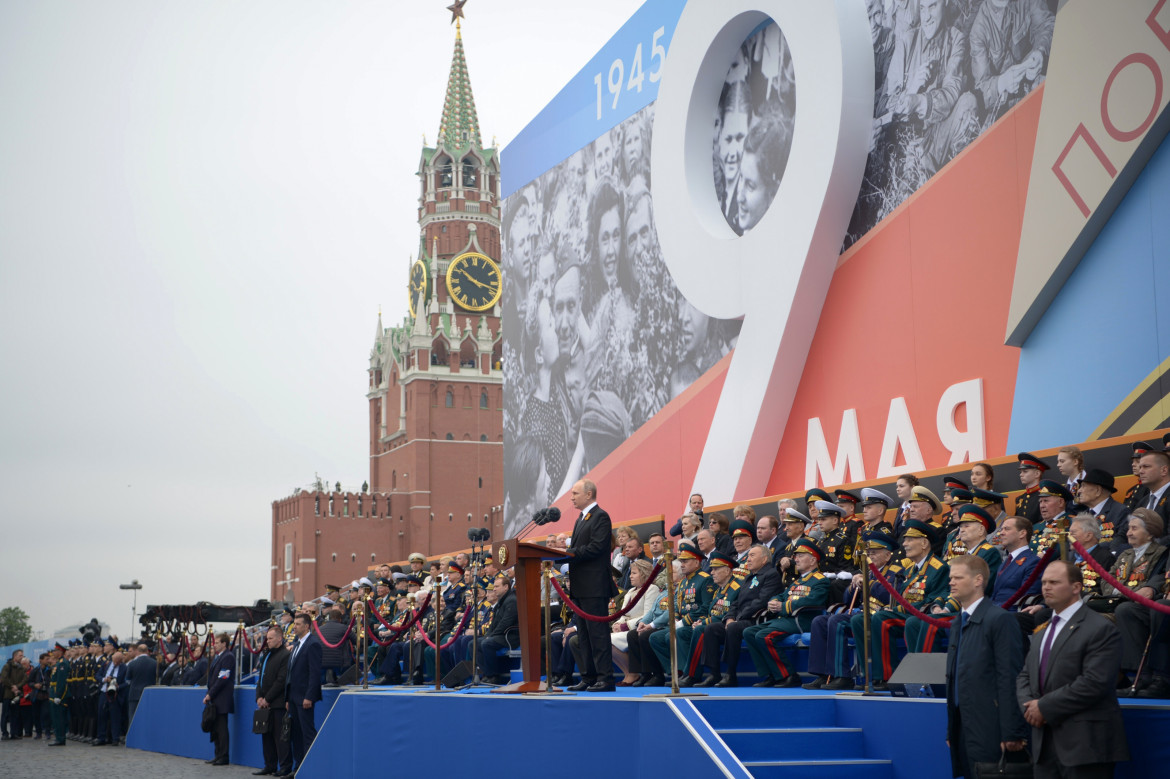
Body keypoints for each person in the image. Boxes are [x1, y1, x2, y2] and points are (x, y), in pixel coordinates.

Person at [1017, 561, 1129, 778]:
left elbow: (1095, 682)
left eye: (1054, 582)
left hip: (1085, 747)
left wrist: (1044, 707)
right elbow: (1024, 675)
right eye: (1044, 582)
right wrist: (1028, 708)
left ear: (1076, 587)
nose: (1046, 588)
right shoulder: (1042, 631)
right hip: (1044, 746)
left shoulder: (1100, 628)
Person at [945, 555, 1028, 779]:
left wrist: (1012, 731)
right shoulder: (957, 622)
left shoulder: (1000, 619)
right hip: (964, 726)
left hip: (991, 726)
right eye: (951, 577)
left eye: (958, 577)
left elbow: (1009, 677)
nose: (951, 582)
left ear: (978, 580)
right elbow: (954, 679)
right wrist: (952, 728)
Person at [744, 538, 832, 687]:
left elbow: (812, 601)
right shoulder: (798, 581)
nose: (795, 559)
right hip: (785, 620)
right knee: (748, 632)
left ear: (812, 560)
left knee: (764, 636)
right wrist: (773, 601)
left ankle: (788, 675)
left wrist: (783, 607)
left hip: (802, 620)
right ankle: (771, 674)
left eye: (800, 556)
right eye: (795, 556)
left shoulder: (820, 580)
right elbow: (782, 595)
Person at [566, 479, 618, 692]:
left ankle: (605, 678)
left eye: (575, 493)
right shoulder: (581, 518)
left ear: (589, 494)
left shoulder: (600, 516)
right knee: (585, 635)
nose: (572, 497)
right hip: (580, 586)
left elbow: (597, 547)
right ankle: (588, 677)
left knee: (597, 634)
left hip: (595, 585)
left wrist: (569, 554)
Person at [286, 612, 322, 773]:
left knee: (307, 733)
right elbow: (291, 673)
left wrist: (309, 696)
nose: (295, 627)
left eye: (298, 624)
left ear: (307, 626)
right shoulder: (296, 644)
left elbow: (314, 674)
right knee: (296, 734)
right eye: (294, 623)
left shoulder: (312, 644)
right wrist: (288, 698)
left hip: (305, 697)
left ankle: (310, 767)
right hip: (293, 697)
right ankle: (298, 767)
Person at [255, 626, 291, 777]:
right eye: (267, 638)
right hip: (264, 704)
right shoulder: (267, 654)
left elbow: (281, 680)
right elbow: (260, 678)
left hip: (277, 704)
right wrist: (258, 697)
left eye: (270, 639)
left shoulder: (285, 655)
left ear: (279, 638)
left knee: (280, 738)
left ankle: (284, 767)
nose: (267, 641)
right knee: (266, 737)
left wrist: (267, 699)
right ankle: (269, 765)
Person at [475, 574, 519, 685]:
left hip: (510, 636)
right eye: (494, 587)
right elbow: (494, 623)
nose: (494, 589)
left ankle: (494, 676)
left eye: (497, 586)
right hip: (500, 635)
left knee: (487, 643)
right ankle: (486, 674)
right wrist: (488, 634)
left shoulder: (512, 600)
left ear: (506, 587)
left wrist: (491, 636)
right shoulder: (502, 600)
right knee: (474, 643)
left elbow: (506, 623)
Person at [1076, 468, 1128, 552]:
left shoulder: (1120, 512)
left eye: (1083, 486)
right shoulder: (1082, 515)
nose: (1079, 491)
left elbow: (1119, 544)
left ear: (1098, 491)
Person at [202, 634, 234, 765]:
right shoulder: (217, 657)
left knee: (221, 729)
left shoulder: (228, 657)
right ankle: (217, 754)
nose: (214, 645)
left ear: (224, 644)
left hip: (222, 699)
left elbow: (223, 679)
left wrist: (210, 694)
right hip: (215, 699)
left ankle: (224, 756)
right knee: (215, 728)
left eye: (217, 642)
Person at [94, 649, 127, 746]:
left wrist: (118, 686)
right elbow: (97, 675)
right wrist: (105, 679)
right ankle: (101, 737)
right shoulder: (106, 664)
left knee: (115, 716)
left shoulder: (124, 668)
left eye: (118, 661)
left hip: (115, 694)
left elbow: (127, 682)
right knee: (101, 715)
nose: (115, 663)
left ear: (121, 661)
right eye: (114, 661)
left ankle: (115, 738)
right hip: (104, 692)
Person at [124, 643, 155, 725]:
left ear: (137, 651)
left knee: (133, 718)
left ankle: (133, 737)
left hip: (134, 694)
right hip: (149, 694)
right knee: (146, 718)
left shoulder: (132, 663)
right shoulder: (154, 663)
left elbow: (127, 680)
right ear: (147, 651)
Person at [1, 649, 27, 740]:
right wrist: (12, 687)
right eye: (20, 655)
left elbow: (25, 679)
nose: (22, 657)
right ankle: (4, 733)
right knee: (5, 715)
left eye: (22, 655)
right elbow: (3, 678)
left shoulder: (22, 668)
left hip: (16, 694)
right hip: (7, 694)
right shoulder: (7, 666)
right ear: (15, 656)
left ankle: (14, 733)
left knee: (15, 715)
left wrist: (17, 687)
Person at [47, 643, 69, 747]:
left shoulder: (63, 664)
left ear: (60, 652)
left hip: (58, 694)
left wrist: (58, 696)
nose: (53, 653)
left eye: (55, 651)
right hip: (53, 693)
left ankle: (60, 738)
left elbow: (61, 682)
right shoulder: (58, 664)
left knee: (59, 717)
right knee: (55, 717)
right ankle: (58, 737)